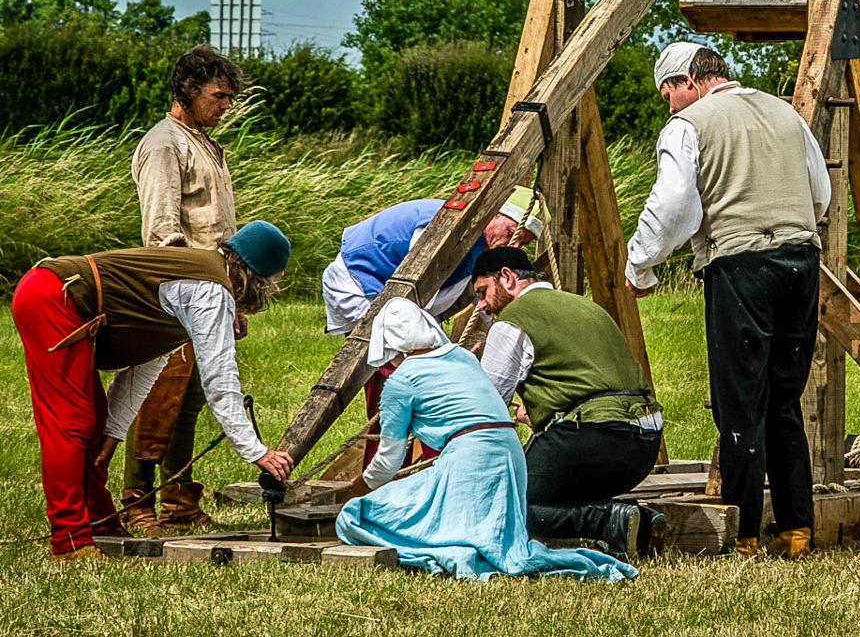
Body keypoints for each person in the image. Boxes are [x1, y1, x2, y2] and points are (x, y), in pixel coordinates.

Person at [625, 42, 831, 559]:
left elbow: (673, 205)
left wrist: (640, 265)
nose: (669, 105)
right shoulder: (784, 112)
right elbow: (820, 192)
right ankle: (796, 531)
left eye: (668, 93)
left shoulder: (688, 125)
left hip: (741, 265)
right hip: (802, 262)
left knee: (741, 404)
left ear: (689, 81)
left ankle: (743, 535)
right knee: (784, 401)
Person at [11, 220, 294, 561]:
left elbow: (147, 361)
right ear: (257, 279)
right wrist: (255, 451)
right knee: (72, 423)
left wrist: (114, 431)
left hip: (56, 295)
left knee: (95, 425)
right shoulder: (211, 289)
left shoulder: (199, 277)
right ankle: (69, 541)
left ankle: (100, 522)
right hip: (54, 296)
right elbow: (220, 380)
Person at [336, 297, 638, 581]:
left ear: (389, 345)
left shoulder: (401, 381)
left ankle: (457, 549)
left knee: (354, 516)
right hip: (511, 455)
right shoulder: (463, 357)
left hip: (470, 461)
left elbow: (389, 460)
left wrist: (356, 490)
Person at [322, 187, 547, 465]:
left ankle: (409, 467)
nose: (513, 245)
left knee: (410, 390)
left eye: (522, 242)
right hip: (361, 286)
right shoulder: (447, 226)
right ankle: (430, 465)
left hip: (396, 303)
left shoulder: (479, 245)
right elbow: (415, 281)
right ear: (495, 214)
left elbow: (487, 303)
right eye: (512, 233)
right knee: (418, 388)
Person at [473, 246, 665, 558]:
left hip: (593, 439)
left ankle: (605, 520)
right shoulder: (587, 306)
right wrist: (536, 412)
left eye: (482, 292)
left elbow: (486, 407)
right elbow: (585, 381)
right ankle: (639, 522)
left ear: (506, 277)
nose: (481, 305)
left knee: (501, 504)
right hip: (644, 446)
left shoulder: (513, 320)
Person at [123, 44, 244, 535]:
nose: (226, 106)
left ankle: (178, 501)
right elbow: (162, 230)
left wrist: (230, 296)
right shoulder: (164, 143)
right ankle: (136, 502)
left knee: (190, 400)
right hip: (177, 290)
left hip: (208, 289)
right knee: (159, 398)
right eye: (219, 96)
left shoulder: (202, 141)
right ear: (189, 90)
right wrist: (184, 292)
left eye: (229, 97)